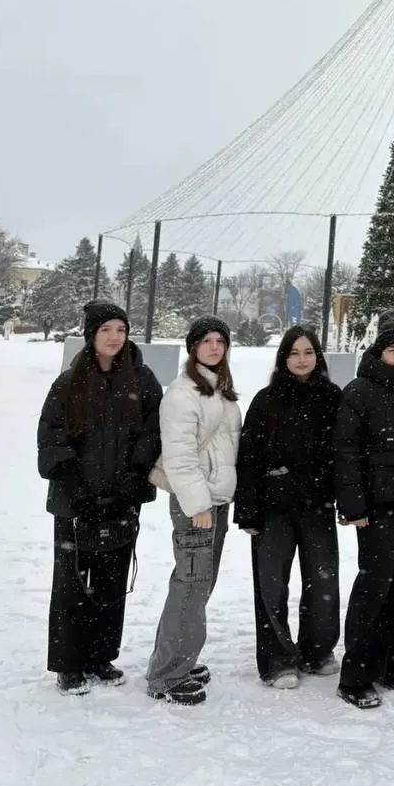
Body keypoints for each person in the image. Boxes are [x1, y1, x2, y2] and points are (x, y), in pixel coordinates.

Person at [37, 300, 162, 695]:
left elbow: (153, 434)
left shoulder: (142, 380)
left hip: (122, 500)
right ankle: (69, 664)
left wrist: (133, 481)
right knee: (71, 584)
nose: (114, 337)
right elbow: (51, 439)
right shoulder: (69, 382)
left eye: (121, 329)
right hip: (74, 504)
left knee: (111, 583)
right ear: (91, 334)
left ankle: (100, 657)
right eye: (106, 329)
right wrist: (77, 489)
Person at [234, 325, 341, 688]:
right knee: (272, 586)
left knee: (322, 582)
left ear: (318, 356)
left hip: (317, 506)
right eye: (294, 353)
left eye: (308, 352)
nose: (301, 359)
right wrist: (247, 510)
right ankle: (277, 659)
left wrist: (344, 497)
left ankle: (317, 651)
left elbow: (344, 452)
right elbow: (248, 457)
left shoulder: (332, 397)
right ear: (283, 358)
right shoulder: (266, 400)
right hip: (273, 509)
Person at [146, 317, 241, 706]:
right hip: (196, 505)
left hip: (215, 501)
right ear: (193, 348)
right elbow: (180, 457)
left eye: (220, 340)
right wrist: (198, 504)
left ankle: (180, 658)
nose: (214, 347)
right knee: (190, 586)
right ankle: (167, 674)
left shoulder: (218, 388)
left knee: (199, 584)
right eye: (206, 341)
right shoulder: (182, 393)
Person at [335, 309, 394, 709]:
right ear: (380, 352)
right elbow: (346, 451)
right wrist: (353, 504)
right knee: (374, 586)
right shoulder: (359, 391)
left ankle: (393, 662)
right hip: (376, 507)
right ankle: (355, 674)